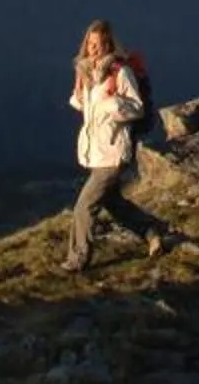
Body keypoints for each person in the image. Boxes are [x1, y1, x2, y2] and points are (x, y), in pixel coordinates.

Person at [63, 20, 168, 274]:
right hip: (98, 151)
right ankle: (153, 232)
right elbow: (90, 109)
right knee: (114, 205)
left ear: (108, 45)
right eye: (90, 44)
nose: (93, 49)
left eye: (98, 44)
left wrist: (111, 104)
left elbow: (136, 107)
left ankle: (78, 258)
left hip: (113, 152)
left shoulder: (120, 72)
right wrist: (80, 96)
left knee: (84, 206)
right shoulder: (89, 74)